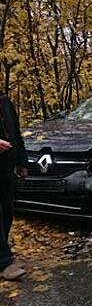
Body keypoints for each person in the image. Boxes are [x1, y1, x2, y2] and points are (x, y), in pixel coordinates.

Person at [0, 93, 28, 280]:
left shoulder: (4, 101)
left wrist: (22, 162)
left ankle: (3, 254)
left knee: (7, 211)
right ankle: (4, 263)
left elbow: (16, 133)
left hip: (5, 168)